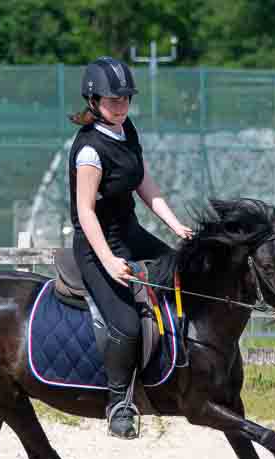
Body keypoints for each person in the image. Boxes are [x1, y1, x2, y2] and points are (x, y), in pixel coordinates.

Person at [68, 56, 193, 439]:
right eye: (113, 100)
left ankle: (177, 370)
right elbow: (85, 212)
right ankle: (119, 404)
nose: (121, 106)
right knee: (124, 323)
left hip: (130, 231)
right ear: (93, 100)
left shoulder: (127, 130)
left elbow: (144, 183)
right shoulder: (89, 150)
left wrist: (176, 226)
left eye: (125, 99)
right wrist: (107, 261)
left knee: (183, 271)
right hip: (96, 244)